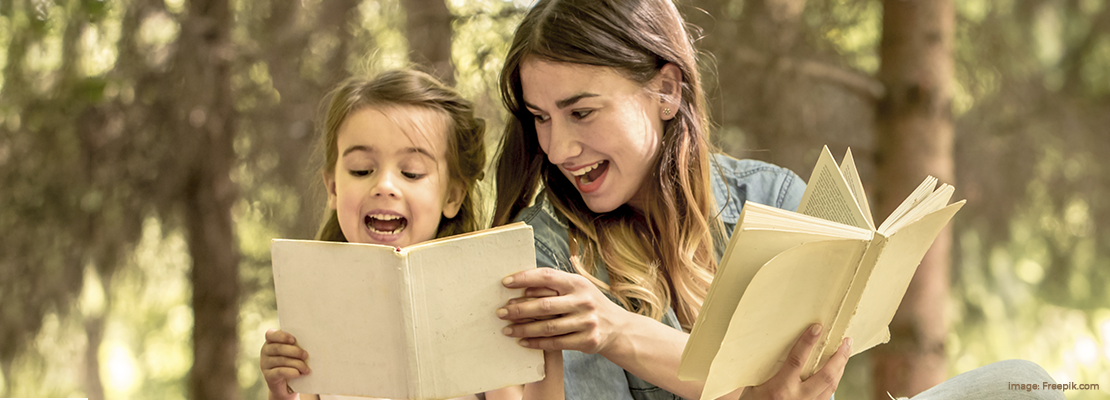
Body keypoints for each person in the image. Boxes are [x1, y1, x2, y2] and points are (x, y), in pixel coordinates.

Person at [490, 1, 1064, 400]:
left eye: (581, 112)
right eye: (540, 118)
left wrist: (622, 332)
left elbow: (809, 382)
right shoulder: (545, 250)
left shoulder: (772, 196)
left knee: (1023, 381)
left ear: (666, 89)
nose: (558, 147)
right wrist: (615, 331)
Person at [259, 69, 564, 400]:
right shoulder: (316, 305)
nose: (385, 186)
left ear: (452, 196)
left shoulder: (482, 302)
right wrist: (282, 391)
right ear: (333, 187)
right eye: (361, 169)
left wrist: (548, 351)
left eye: (412, 172)